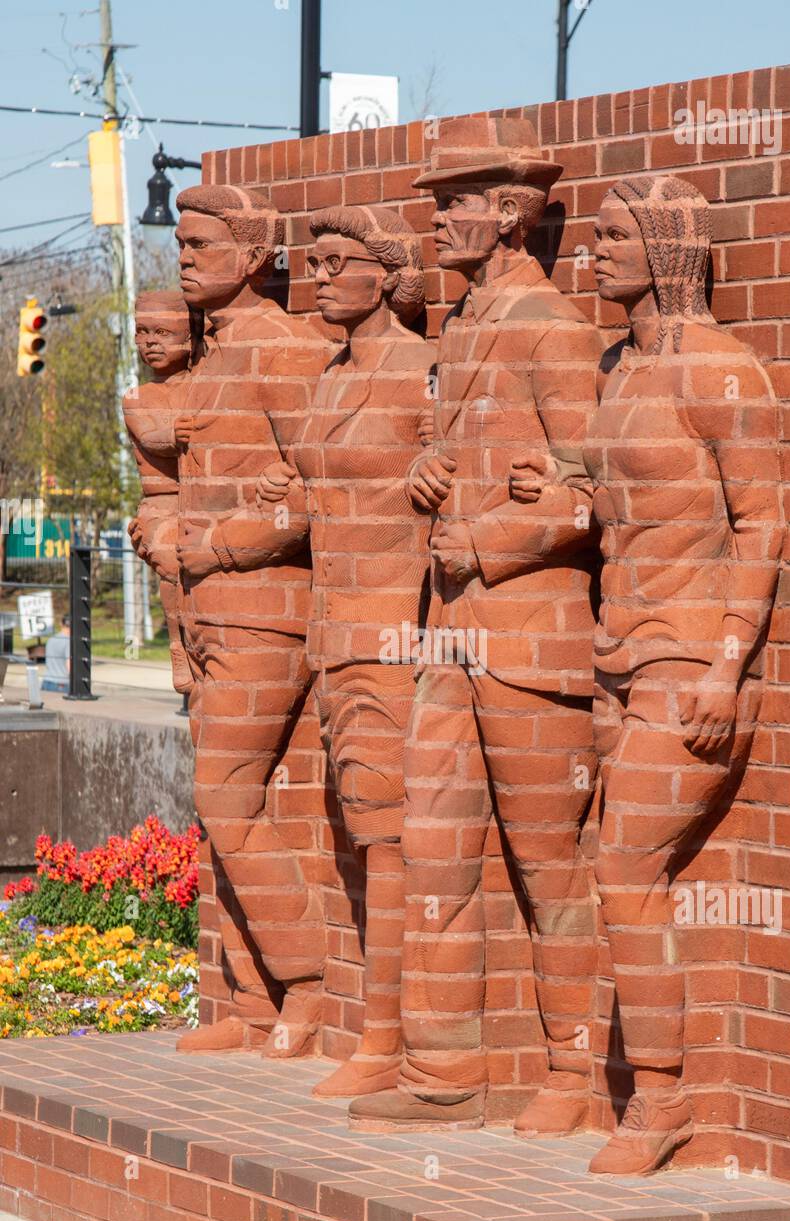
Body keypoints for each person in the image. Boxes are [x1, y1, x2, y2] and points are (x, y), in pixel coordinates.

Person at [350, 117, 603, 1137]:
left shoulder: (551, 327)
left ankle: (573, 1070)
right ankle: (444, 1070)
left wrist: (492, 538)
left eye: (449, 202)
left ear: (504, 212)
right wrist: (430, 484)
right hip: (444, 637)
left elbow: (595, 490)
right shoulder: (460, 331)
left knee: (550, 868)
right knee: (434, 846)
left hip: (528, 639)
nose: (435, 221)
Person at [579, 174, 786, 1174]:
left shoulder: (720, 369)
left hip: (688, 661)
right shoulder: (614, 367)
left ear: (665, 248)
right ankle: (613, 1082)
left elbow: (762, 523)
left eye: (613, 236)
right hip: (611, 655)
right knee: (609, 869)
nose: (592, 252)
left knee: (626, 867)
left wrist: (725, 661)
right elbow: (605, 500)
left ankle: (658, 1102)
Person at [257, 203, 434, 1097]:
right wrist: (290, 484)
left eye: (335, 262)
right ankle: (374, 1026)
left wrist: (436, 476)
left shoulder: (422, 371)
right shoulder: (330, 377)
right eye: (312, 263)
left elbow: (457, 470)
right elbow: (324, 482)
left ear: (384, 273)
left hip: (394, 632)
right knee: (367, 834)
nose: (318, 277)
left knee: (391, 833)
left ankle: (389, 1042)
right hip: (334, 633)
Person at [171, 184, 334, 1059]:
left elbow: (318, 491)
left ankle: (305, 982)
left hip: (265, 617)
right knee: (225, 803)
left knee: (225, 797)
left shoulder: (284, 351)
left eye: (201, 243)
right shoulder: (217, 353)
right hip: (210, 616)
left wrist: (221, 547)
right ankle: (248, 996)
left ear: (253, 255)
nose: (184, 256)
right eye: (180, 243)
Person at [123, 289, 198, 696]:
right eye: (142, 332)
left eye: (163, 333)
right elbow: (156, 438)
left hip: (199, 500)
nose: (150, 342)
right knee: (170, 555)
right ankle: (177, 643)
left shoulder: (202, 385)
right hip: (162, 504)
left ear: (189, 338)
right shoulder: (137, 397)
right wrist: (176, 431)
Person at [41, 614, 70, 693]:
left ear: (61, 623)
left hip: (46, 681)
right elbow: (69, 665)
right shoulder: (69, 642)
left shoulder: (51, 639)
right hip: (61, 684)